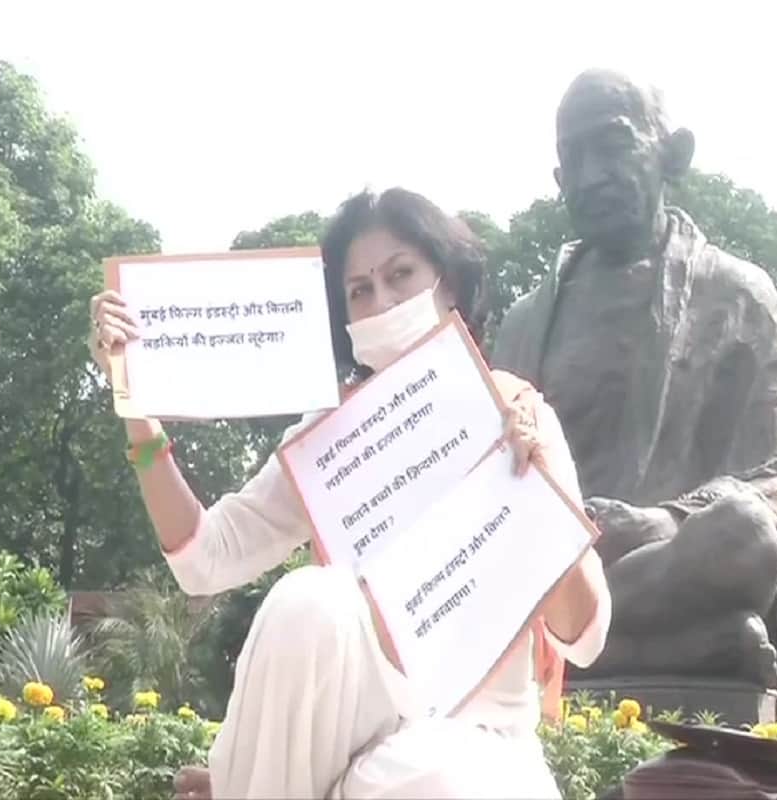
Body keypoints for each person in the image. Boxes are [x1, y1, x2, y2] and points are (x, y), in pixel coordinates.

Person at [88, 187, 611, 799]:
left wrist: (536, 495)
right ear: (343, 316)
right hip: (349, 741)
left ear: (450, 285)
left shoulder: (514, 412)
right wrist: (136, 409)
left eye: (401, 276)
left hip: (476, 743)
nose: (384, 301)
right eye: (360, 290)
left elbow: (586, 636)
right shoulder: (329, 438)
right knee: (309, 599)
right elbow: (204, 558)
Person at [490, 68, 777, 717]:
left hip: (676, 561)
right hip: (558, 572)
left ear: (671, 153)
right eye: (574, 159)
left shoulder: (739, 299)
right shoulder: (524, 325)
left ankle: (591, 640)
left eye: (613, 146)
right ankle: (665, 642)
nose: (593, 174)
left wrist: (665, 520)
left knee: (744, 533)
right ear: (558, 182)